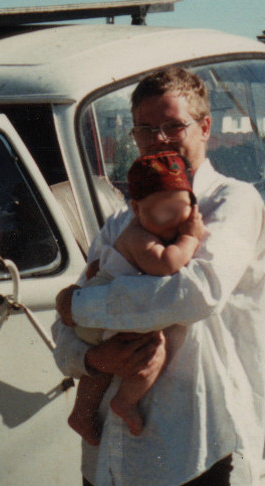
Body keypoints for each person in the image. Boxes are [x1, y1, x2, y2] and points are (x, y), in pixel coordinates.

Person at [54, 67, 265, 486]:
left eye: (174, 125)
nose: (160, 139)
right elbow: (66, 331)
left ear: (205, 128)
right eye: (146, 129)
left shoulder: (231, 203)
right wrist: (95, 361)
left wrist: (80, 306)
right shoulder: (121, 221)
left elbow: (195, 293)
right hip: (108, 457)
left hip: (191, 448)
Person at [68, 150, 207, 446]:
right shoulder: (137, 235)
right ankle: (126, 401)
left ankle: (82, 412)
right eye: (159, 212)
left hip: (99, 310)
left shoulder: (146, 229)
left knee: (107, 362)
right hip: (98, 308)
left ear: (192, 203)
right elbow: (167, 263)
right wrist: (190, 237)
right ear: (136, 209)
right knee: (154, 349)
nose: (170, 220)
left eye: (178, 208)